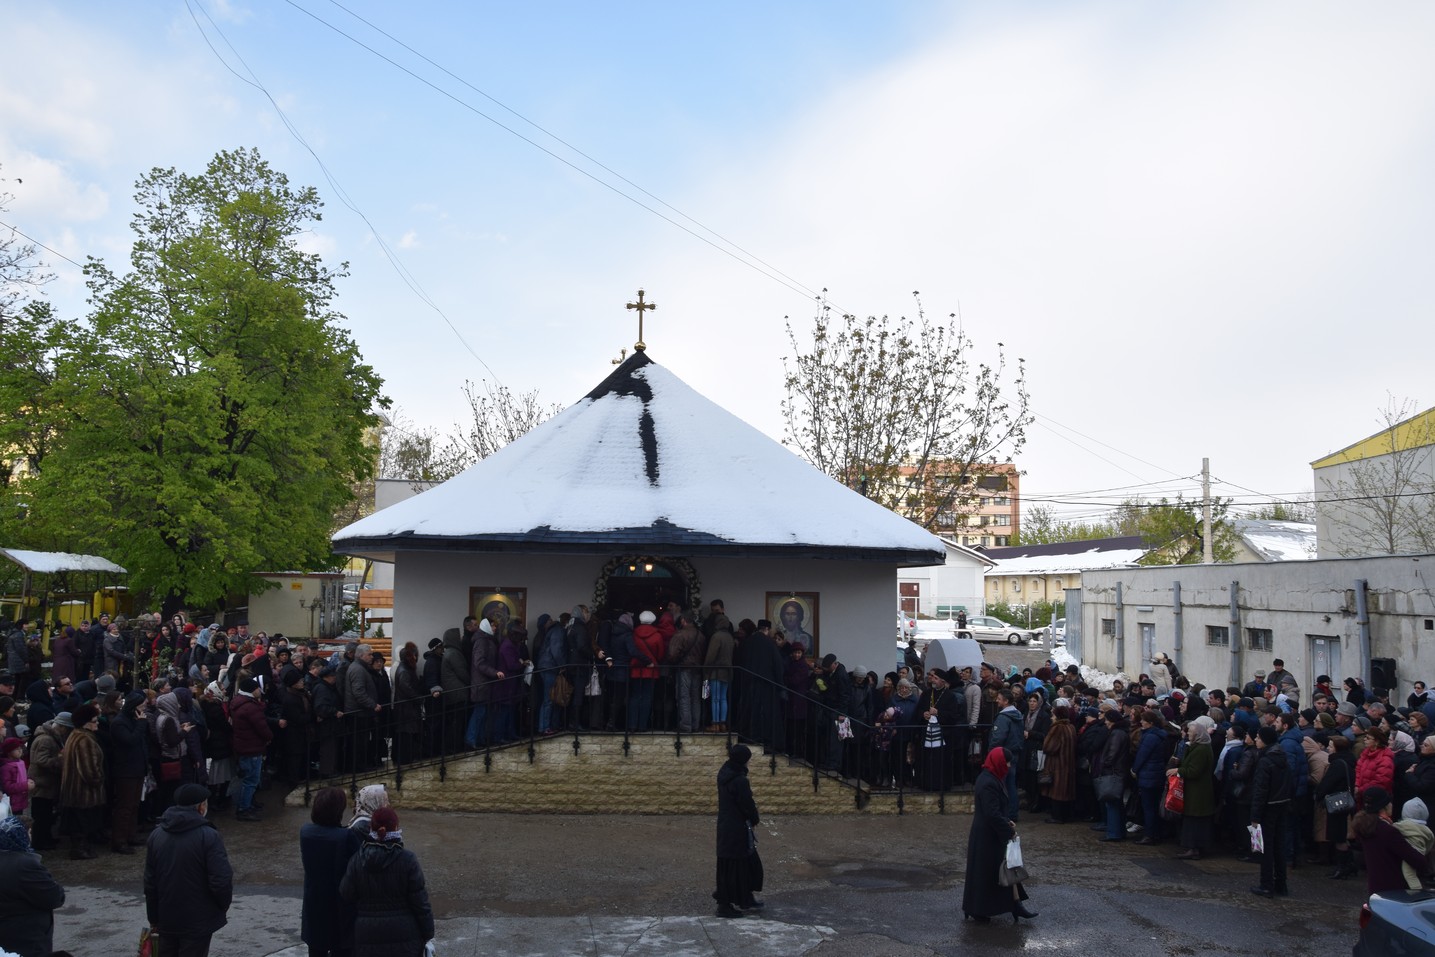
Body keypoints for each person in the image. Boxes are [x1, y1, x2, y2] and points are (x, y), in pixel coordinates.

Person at [144, 781, 235, 957]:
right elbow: (221, 880)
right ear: (201, 807)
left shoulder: (157, 835)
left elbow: (150, 882)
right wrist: (221, 907)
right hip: (198, 920)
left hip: (167, 917)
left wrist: (153, 917)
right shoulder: (209, 836)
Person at [340, 806, 435, 957]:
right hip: (405, 937)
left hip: (367, 936)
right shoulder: (407, 860)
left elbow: (346, 893)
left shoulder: (357, 860)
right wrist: (428, 932)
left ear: (371, 828)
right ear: (395, 828)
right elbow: (420, 903)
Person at [962, 747, 1037, 923]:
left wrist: (1006, 822)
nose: (1009, 766)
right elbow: (991, 813)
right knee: (988, 873)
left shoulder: (990, 778)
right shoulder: (988, 782)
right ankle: (979, 909)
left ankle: (1015, 904)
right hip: (987, 836)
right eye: (1007, 762)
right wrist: (1008, 830)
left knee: (1006, 868)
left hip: (990, 834)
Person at [301, 786, 361, 957]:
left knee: (316, 948)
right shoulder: (345, 837)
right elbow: (360, 863)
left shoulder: (306, 832)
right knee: (342, 948)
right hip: (339, 904)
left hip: (315, 900)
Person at [0, 815, 65, 957]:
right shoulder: (25, 865)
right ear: (20, 835)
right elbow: (54, 897)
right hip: (26, 936)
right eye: (29, 833)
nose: (30, 837)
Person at [1351, 786, 1432, 894]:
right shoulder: (1388, 831)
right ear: (1383, 807)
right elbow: (1416, 860)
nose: (1391, 805)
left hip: (1375, 888)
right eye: (1389, 802)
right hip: (1394, 890)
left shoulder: (1365, 827)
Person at [713, 743, 763, 918]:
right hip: (736, 827)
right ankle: (725, 905)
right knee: (736, 865)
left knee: (742, 863)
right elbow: (746, 803)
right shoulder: (739, 780)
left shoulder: (725, 773)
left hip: (727, 826)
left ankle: (745, 897)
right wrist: (754, 818)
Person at [59, 703, 106, 860]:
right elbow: (88, 768)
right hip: (83, 790)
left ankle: (81, 847)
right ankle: (79, 849)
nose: (97, 723)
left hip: (74, 787)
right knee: (82, 821)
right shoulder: (84, 739)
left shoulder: (75, 735)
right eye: (94, 720)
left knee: (79, 820)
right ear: (86, 722)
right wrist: (98, 779)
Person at [1250, 725, 1291, 898]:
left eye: (1258, 737)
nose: (1256, 740)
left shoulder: (1265, 761)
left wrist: (1255, 816)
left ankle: (1266, 884)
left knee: (1265, 848)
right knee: (1279, 846)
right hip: (1281, 805)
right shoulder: (1282, 757)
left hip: (1267, 808)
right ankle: (1281, 883)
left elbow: (1260, 790)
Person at [1176, 721, 1216, 860]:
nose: (1188, 733)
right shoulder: (1197, 748)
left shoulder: (1201, 750)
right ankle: (1193, 847)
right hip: (1196, 790)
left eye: (1190, 731)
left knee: (1195, 820)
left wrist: (1178, 770)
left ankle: (1194, 848)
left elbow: (1194, 771)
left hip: (1198, 792)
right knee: (1194, 819)